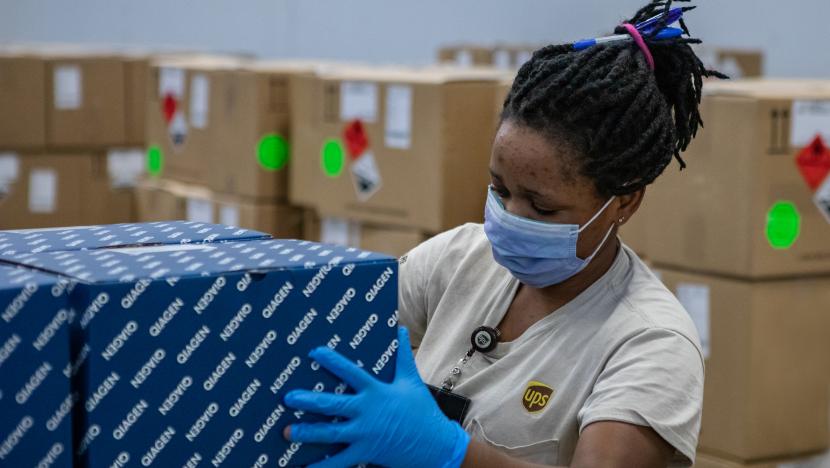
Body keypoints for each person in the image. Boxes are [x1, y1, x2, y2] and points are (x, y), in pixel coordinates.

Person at [282, 0, 726, 466]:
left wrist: (449, 451)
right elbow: (328, 326)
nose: (511, 217)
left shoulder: (649, 342)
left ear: (625, 202)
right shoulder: (458, 257)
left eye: (542, 205)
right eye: (499, 189)